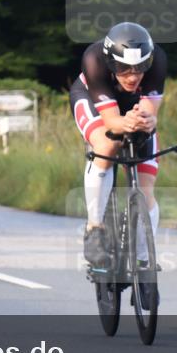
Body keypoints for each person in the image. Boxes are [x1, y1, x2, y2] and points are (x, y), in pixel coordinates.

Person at [70, 22, 166, 275]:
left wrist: (145, 120)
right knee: (108, 142)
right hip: (91, 100)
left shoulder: (158, 60)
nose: (133, 76)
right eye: (124, 69)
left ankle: (144, 260)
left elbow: (149, 112)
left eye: (140, 68)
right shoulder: (94, 59)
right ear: (112, 63)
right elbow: (112, 121)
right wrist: (127, 123)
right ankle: (94, 228)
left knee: (146, 189)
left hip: (131, 108)